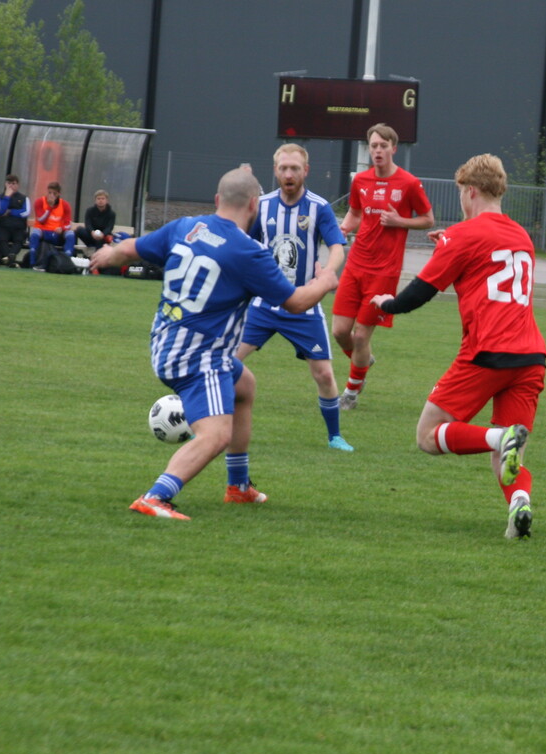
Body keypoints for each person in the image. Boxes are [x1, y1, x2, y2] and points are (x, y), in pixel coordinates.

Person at [88, 168, 340, 520]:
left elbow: (133, 248)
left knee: (244, 386)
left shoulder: (185, 226)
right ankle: (156, 496)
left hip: (168, 340)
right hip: (198, 354)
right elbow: (296, 303)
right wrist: (325, 280)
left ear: (217, 199)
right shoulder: (248, 251)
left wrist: (109, 254)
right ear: (254, 206)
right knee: (216, 434)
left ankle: (238, 486)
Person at [371, 153, 545, 538]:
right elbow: (485, 261)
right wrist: (448, 243)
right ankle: (519, 505)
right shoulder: (521, 235)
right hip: (531, 356)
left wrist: (388, 303)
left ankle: (499, 438)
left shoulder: (463, 235)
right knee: (508, 459)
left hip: (488, 352)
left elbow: (420, 293)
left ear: (470, 191)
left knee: (428, 435)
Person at [235, 144, 353, 452]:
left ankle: (335, 437)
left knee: (324, 373)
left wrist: (327, 273)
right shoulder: (261, 206)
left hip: (304, 306)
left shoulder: (319, 207)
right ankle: (207, 426)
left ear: (306, 171)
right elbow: (243, 242)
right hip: (263, 304)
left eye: (295, 168)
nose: (289, 174)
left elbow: (337, 247)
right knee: (227, 361)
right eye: (284, 168)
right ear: (275, 170)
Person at [332, 123, 434, 410]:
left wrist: (399, 221)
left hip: (384, 271)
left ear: (393, 149)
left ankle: (351, 393)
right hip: (356, 263)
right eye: (373, 146)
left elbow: (428, 219)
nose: (377, 151)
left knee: (361, 335)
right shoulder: (361, 181)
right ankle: (363, 361)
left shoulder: (409, 183)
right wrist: (343, 229)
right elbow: (355, 213)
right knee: (340, 331)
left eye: (383, 146)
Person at [29, 181, 75, 267]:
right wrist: (49, 207)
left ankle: (67, 260)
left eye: (54, 193)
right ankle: (32, 262)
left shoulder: (65, 205)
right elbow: (41, 220)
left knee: (70, 234)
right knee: (35, 233)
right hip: (43, 232)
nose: (51, 195)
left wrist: (62, 228)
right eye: (49, 193)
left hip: (57, 233)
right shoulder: (40, 202)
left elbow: (68, 224)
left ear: (59, 194)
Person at [0, 175, 31, 266]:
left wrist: (11, 212)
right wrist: (7, 197)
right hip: (4, 226)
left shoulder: (24, 198)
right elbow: (0, 211)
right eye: (9, 183)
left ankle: (9, 257)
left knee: (19, 240)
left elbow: (26, 212)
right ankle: (10, 259)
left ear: (18, 185)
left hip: (18, 226)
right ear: (5, 184)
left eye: (13, 183)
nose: (11, 186)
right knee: (2, 240)